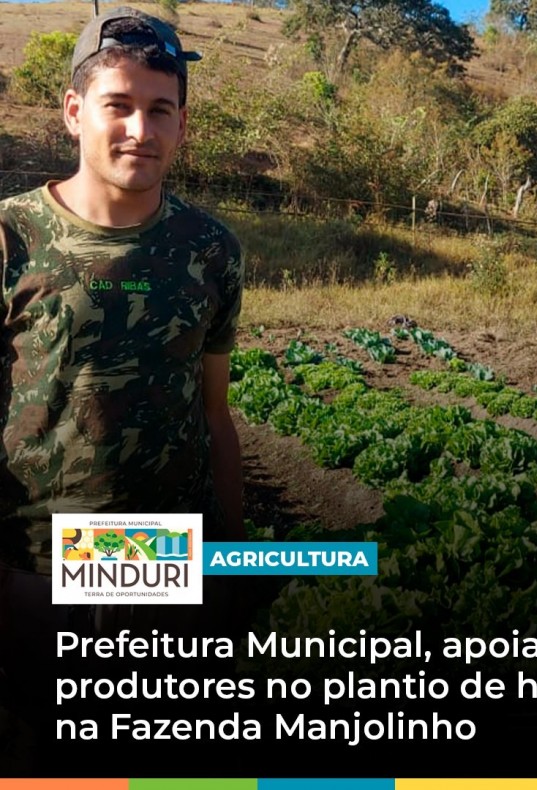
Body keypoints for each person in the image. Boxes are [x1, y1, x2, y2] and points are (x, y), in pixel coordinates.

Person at [0, 7, 246, 771]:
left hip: (161, 562)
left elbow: (215, 415)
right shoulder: (11, 236)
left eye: (160, 110)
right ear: (75, 111)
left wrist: (230, 564)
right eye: (120, 105)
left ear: (181, 125)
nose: (141, 128)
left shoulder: (210, 248)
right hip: (30, 567)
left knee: (149, 758)